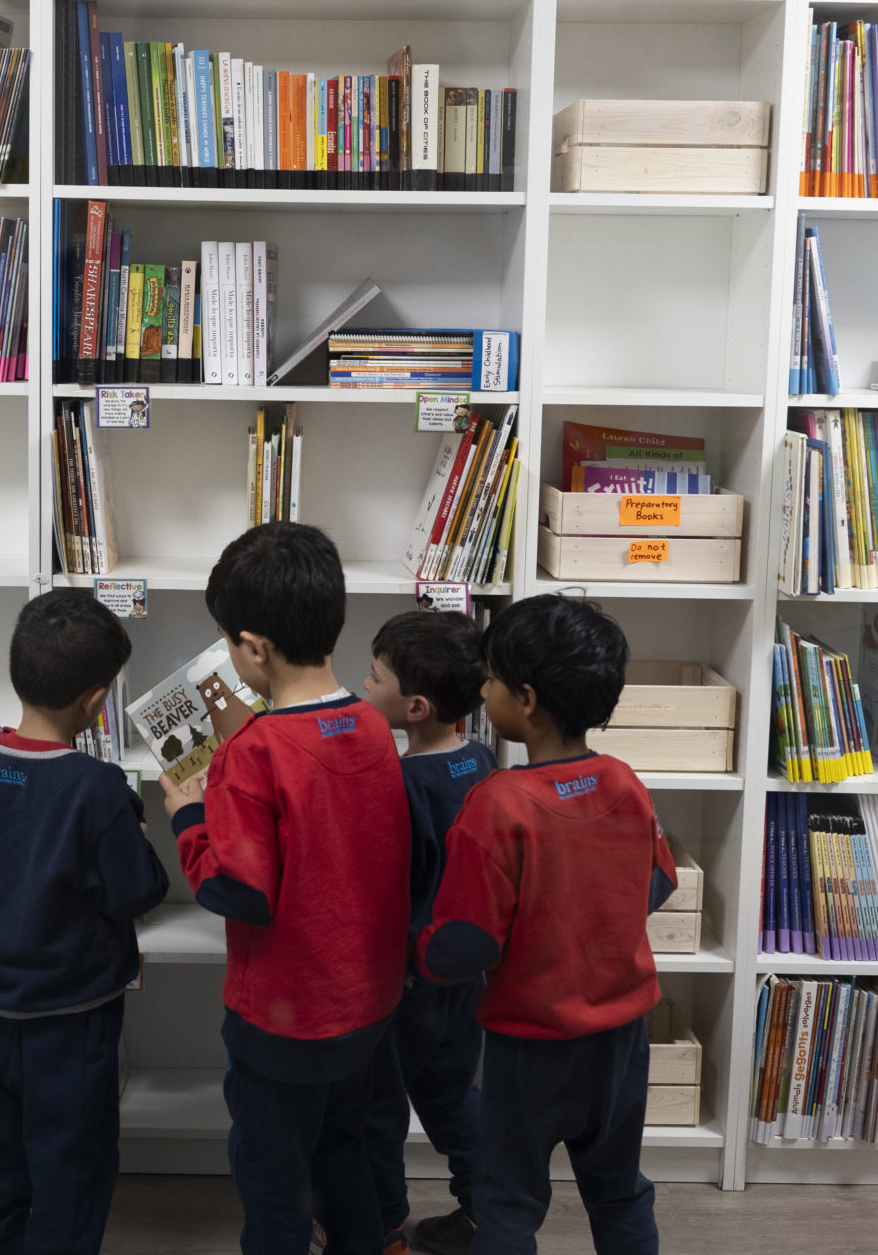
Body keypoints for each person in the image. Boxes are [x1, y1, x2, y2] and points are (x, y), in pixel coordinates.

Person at [160, 522, 413, 1255]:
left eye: (229, 644)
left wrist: (189, 817)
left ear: (254, 647)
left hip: (282, 1019)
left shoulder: (252, 749)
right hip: (365, 1004)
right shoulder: (370, 725)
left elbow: (239, 891)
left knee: (272, 1180)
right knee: (343, 1156)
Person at [415, 595, 675, 1255]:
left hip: (530, 1045)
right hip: (622, 1037)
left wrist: (415, 950)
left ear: (525, 699)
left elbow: (468, 941)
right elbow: (658, 880)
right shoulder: (624, 782)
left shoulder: (497, 803)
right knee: (619, 1190)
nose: (482, 689)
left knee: (508, 1201)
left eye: (492, 678)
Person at [0, 589, 170, 1255]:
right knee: (72, 1165)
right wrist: (136, 831)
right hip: (75, 1020)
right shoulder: (97, 787)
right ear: (95, 700)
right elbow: (135, 891)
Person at [360, 611, 496, 1255]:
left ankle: (384, 1229)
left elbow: (385, 886)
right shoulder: (482, 760)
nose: (365, 682)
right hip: (465, 969)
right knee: (451, 1095)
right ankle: (483, 1208)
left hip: (406, 979)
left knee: (377, 1107)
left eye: (375, 675)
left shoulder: (403, 784)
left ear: (414, 707)